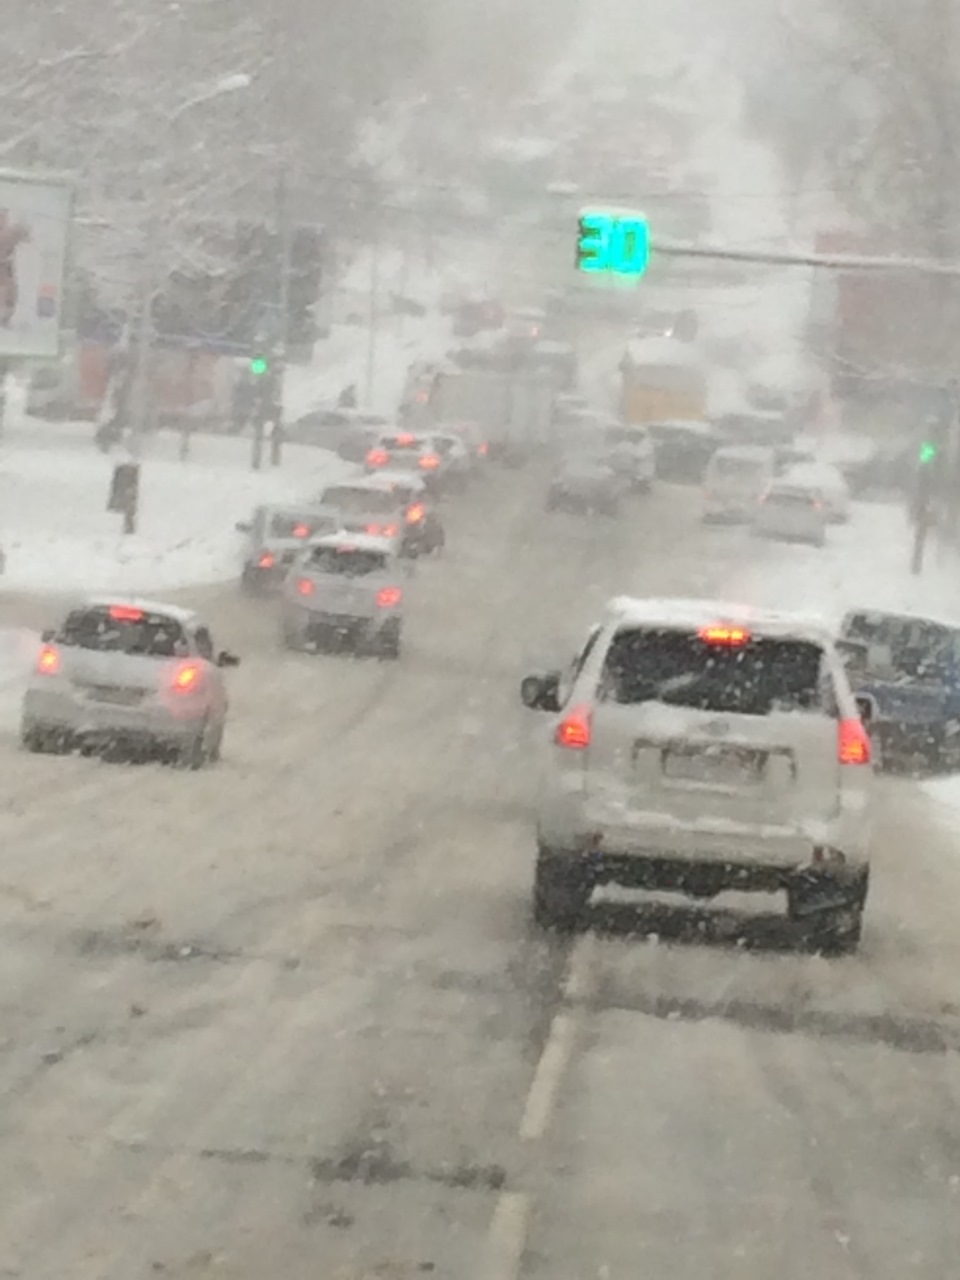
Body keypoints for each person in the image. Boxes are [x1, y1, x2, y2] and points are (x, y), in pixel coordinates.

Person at [0, 209, 31, 327]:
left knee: (10, 291)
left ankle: (5, 319)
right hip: (5, 266)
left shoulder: (11, 233)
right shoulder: (9, 234)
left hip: (6, 267)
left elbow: (27, 237)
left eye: (3, 217)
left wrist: (24, 227)